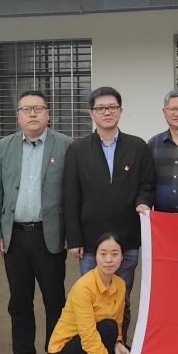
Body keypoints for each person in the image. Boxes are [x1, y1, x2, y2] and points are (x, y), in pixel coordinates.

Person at [0, 90, 73, 354]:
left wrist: (71, 234)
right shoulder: (5, 147)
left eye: (38, 108)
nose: (32, 113)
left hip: (49, 236)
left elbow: (72, 194)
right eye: (26, 109)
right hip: (15, 236)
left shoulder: (65, 145)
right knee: (19, 301)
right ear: (18, 116)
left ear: (48, 113)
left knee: (54, 300)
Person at [64, 86, 154, 335]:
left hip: (127, 240)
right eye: (101, 108)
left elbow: (147, 184)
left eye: (112, 107)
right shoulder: (78, 149)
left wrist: (143, 201)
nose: (107, 112)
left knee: (121, 299)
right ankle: (95, 350)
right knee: (92, 301)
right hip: (90, 243)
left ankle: (119, 346)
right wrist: (74, 239)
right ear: (91, 113)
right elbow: (70, 197)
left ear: (120, 111)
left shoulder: (137, 146)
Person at [48, 232, 133, 354]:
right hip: (64, 351)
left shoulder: (120, 284)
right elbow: (90, 338)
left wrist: (118, 344)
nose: (109, 260)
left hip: (95, 341)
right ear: (95, 256)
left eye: (115, 254)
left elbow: (118, 322)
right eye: (103, 254)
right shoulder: (84, 287)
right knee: (108, 329)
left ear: (122, 257)